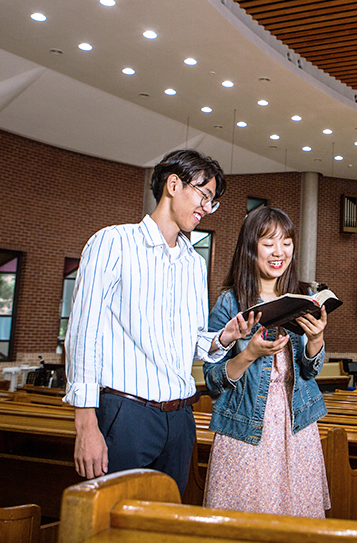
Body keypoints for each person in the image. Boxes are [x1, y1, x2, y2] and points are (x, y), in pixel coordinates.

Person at [64, 149, 237, 493]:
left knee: (162, 524)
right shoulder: (113, 242)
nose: (207, 208)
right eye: (204, 195)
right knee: (112, 525)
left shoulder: (193, 263)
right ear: (173, 185)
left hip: (180, 419)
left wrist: (225, 337)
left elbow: (192, 342)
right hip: (126, 415)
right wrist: (86, 425)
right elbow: (83, 334)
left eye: (212, 202)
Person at [201, 206, 330, 517]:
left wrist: (316, 341)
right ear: (250, 247)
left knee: (297, 520)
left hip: (296, 423)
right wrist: (249, 354)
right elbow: (213, 380)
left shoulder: (303, 296)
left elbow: (309, 372)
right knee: (245, 520)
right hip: (246, 424)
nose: (279, 252)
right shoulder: (231, 302)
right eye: (269, 242)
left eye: (286, 242)